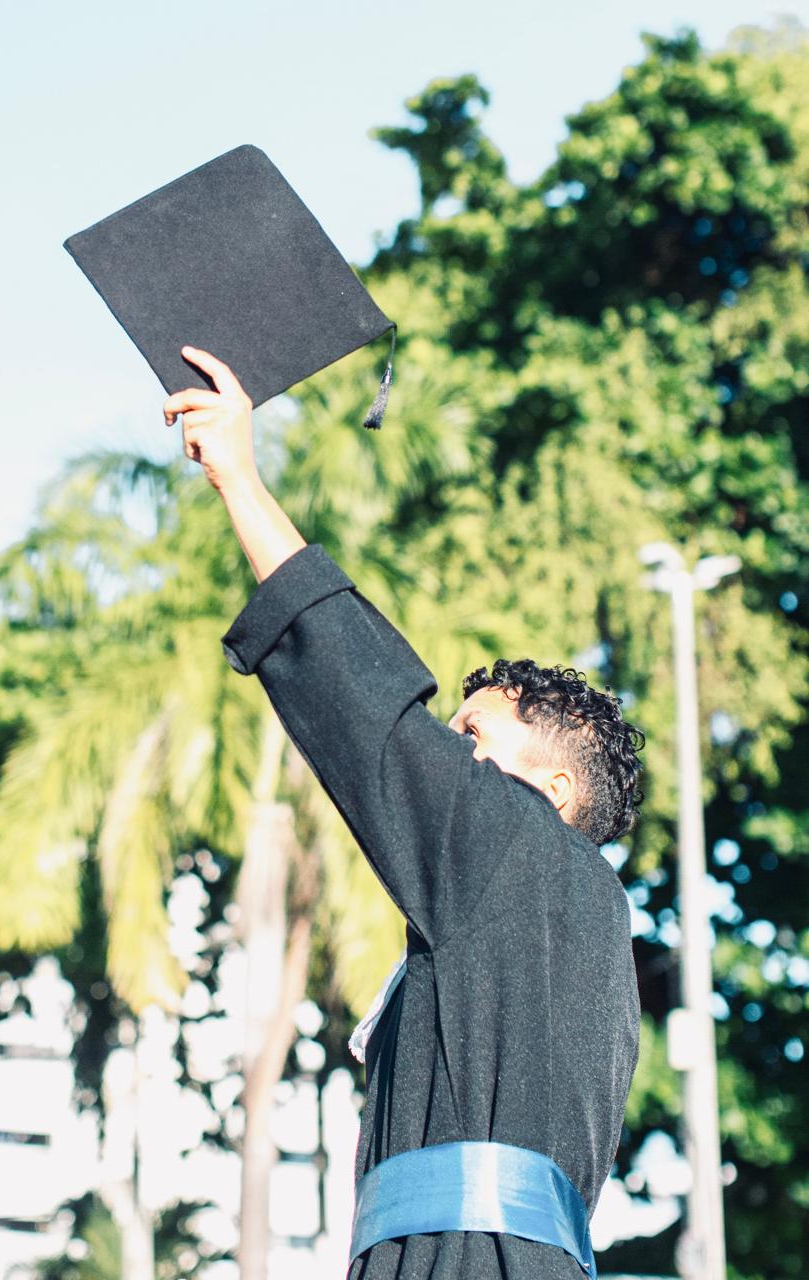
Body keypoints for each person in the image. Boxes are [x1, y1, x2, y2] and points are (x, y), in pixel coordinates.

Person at [165, 346, 643, 1280]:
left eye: (472, 736)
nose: (448, 754)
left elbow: (366, 706)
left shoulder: (515, 848)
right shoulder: (575, 927)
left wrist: (238, 477)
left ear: (552, 793)